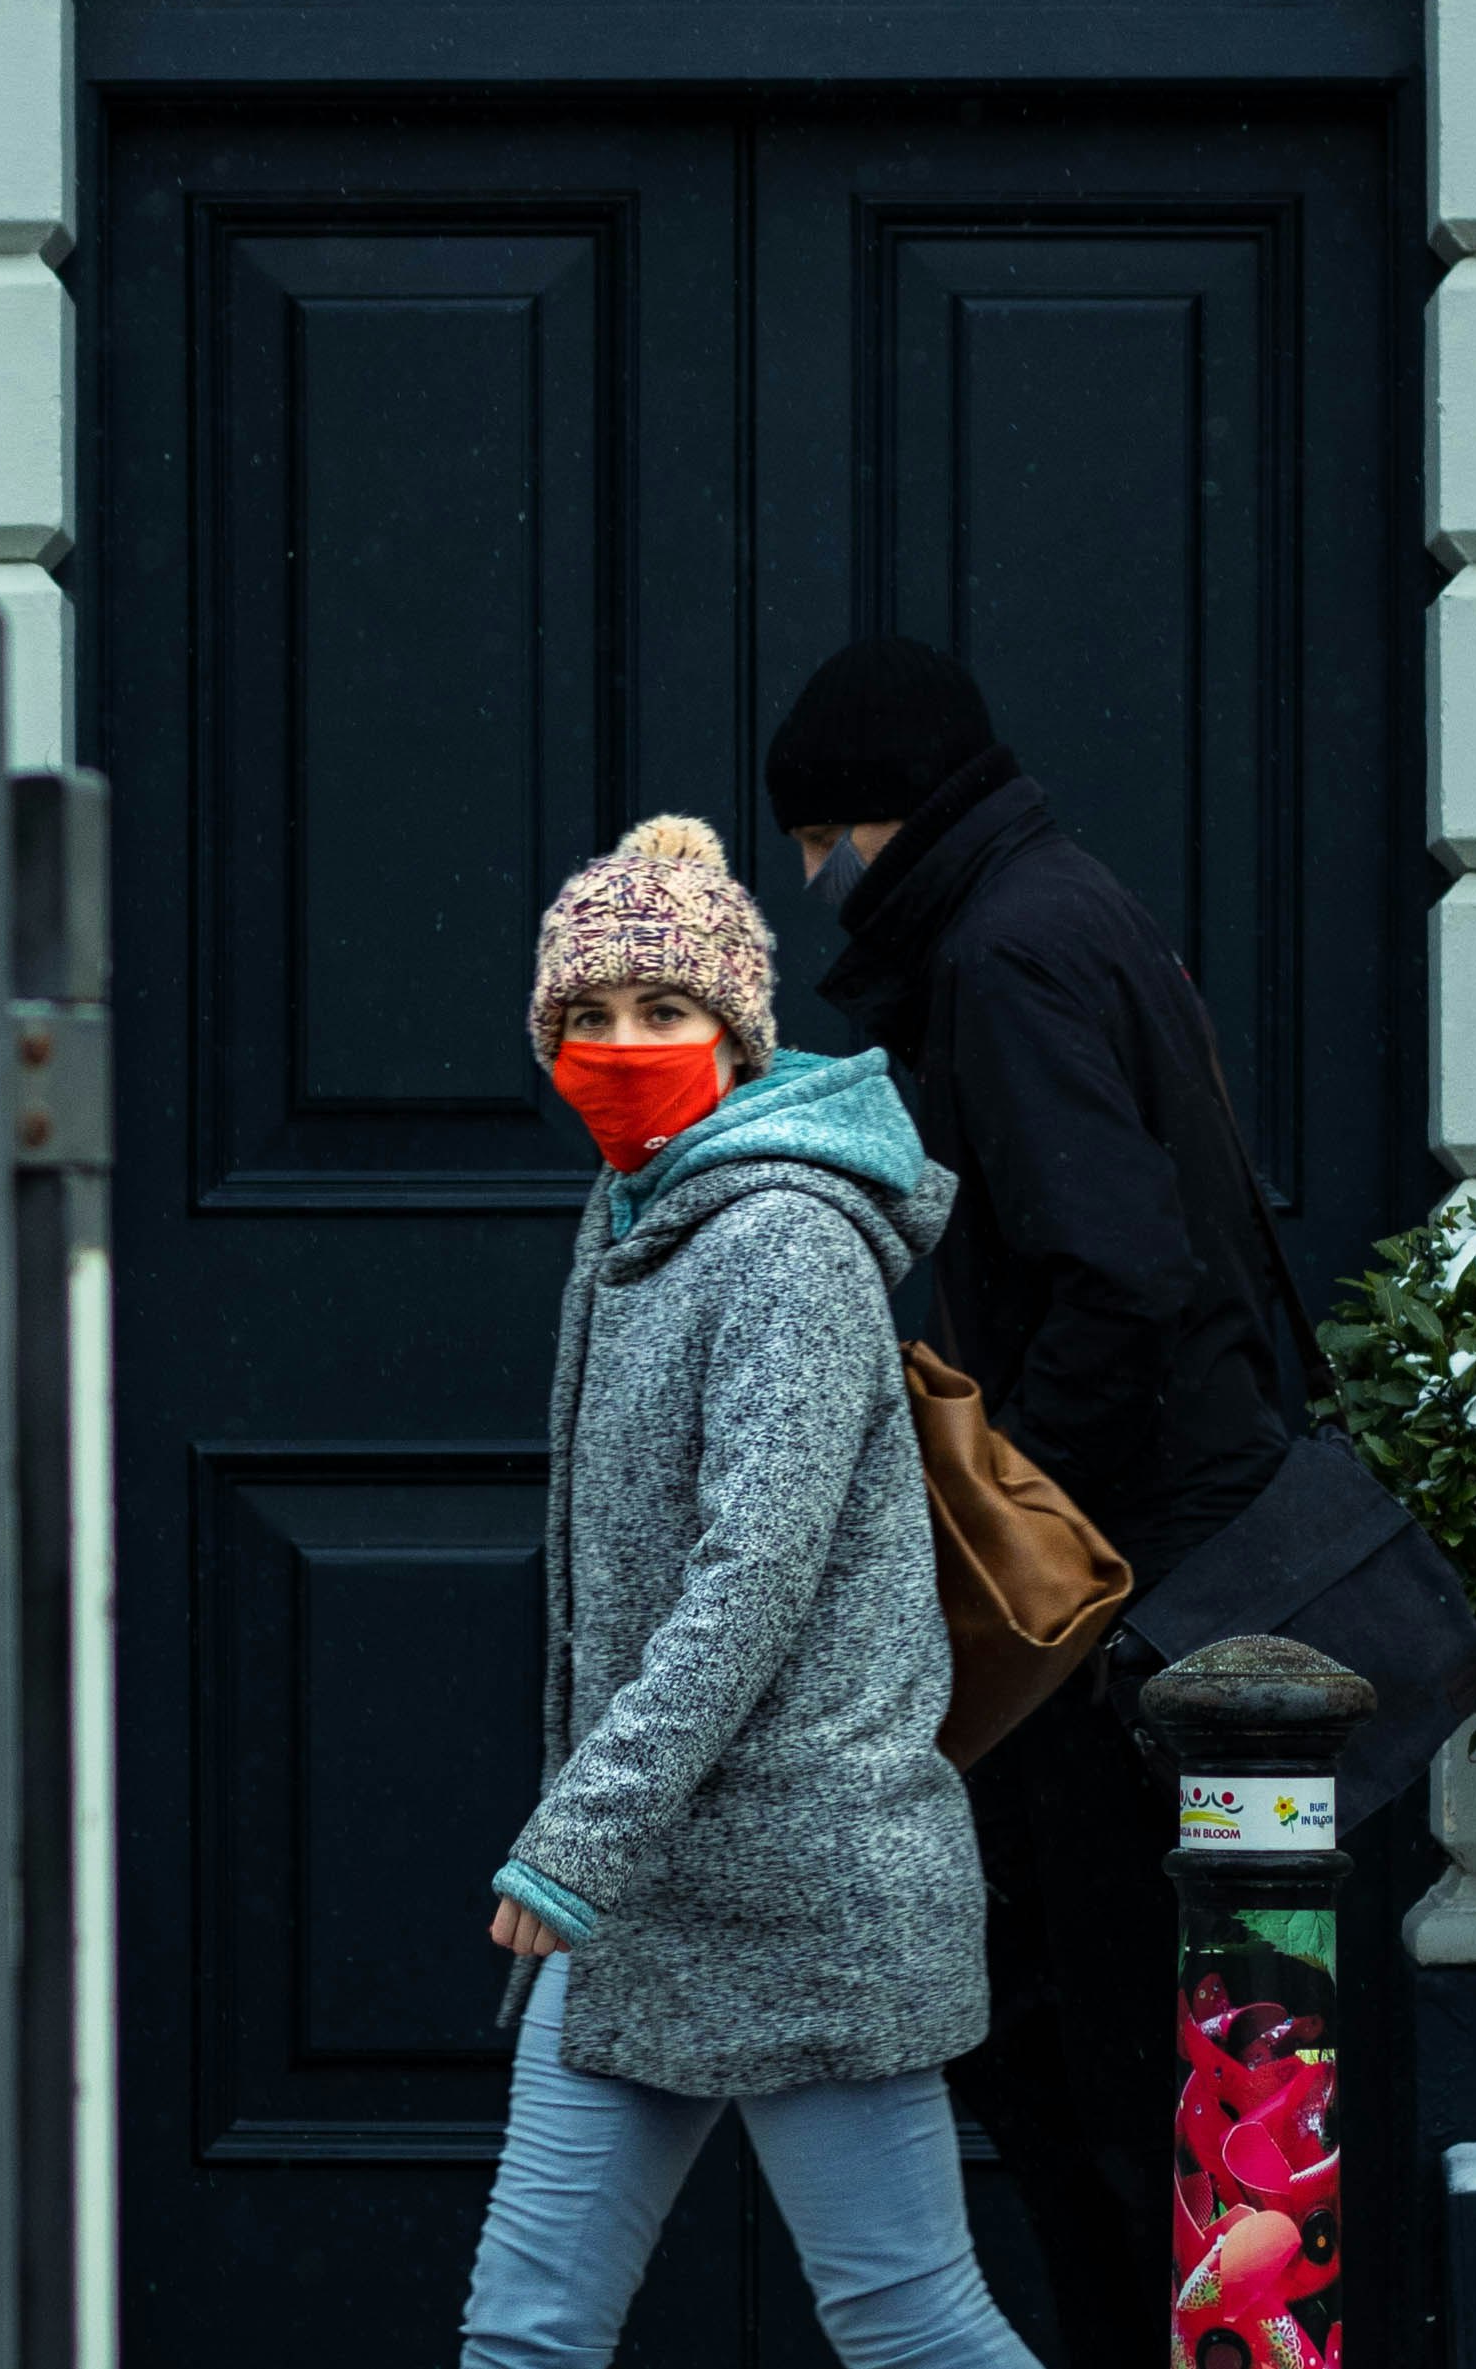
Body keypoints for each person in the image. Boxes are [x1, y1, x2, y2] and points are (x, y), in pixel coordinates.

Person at [769, 638, 1300, 2369]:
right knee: (1228, 2062)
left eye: (812, 841)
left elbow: (1122, 1274)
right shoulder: (1069, 904)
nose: (805, 884)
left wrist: (1010, 1525)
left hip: (1132, 1610)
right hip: (1204, 1572)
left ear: (876, 825)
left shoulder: (999, 952)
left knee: (1098, 2059)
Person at [462, 813, 1040, 2369]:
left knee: (909, 2323)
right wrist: (606, 1845)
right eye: (585, 1015)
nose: (618, 1045)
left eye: (662, 1011)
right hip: (652, 1888)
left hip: (800, 1884)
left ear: (734, 1032)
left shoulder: (779, 1236)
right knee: (526, 2330)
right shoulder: (637, 1215)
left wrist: (578, 1833)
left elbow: (749, 1579)